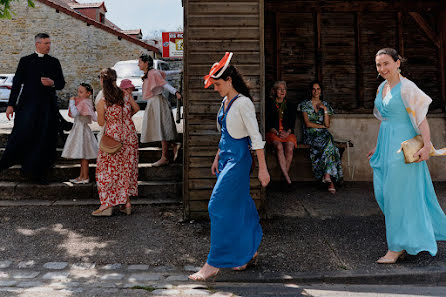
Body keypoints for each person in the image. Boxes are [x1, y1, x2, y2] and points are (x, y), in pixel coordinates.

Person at [189, 52, 270, 282]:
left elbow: (255, 137)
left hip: (239, 161)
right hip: (226, 159)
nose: (214, 88)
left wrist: (263, 168)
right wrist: (217, 156)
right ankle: (249, 250)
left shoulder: (243, 103)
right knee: (241, 204)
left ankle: (213, 263)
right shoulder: (224, 101)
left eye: (217, 84)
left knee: (216, 206)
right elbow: (226, 133)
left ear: (229, 81)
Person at [367, 48, 446, 263]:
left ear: (397, 63)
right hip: (385, 144)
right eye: (378, 65)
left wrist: (426, 146)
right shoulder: (382, 87)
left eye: (386, 63)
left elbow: (421, 119)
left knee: (396, 197)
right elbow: (384, 120)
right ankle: (408, 235)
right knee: (383, 193)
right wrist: (377, 146)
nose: (382, 68)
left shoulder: (408, 88)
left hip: (403, 148)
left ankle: (396, 247)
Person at [0, 33, 65, 184]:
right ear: (38, 44)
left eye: (49, 43)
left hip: (47, 108)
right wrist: (10, 105)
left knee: (44, 139)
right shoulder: (25, 61)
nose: (49, 46)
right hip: (27, 106)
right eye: (46, 43)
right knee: (23, 133)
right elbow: (16, 84)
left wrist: (52, 82)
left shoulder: (54, 62)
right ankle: (16, 164)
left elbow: (61, 83)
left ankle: (39, 173)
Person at [93, 68, 140, 216]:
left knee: (106, 171)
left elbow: (101, 123)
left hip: (113, 136)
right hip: (129, 135)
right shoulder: (125, 94)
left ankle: (106, 205)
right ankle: (126, 203)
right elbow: (137, 108)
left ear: (102, 81)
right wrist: (126, 118)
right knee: (125, 171)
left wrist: (112, 120)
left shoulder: (102, 101)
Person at [297, 81, 343, 194]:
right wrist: (321, 126)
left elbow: (327, 125)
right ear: (311, 91)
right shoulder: (305, 105)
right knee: (332, 147)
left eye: (318, 89)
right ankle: (330, 180)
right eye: (314, 89)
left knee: (330, 145)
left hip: (323, 135)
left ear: (321, 91)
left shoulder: (325, 105)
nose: (316, 91)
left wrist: (324, 110)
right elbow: (307, 123)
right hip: (310, 135)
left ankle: (327, 176)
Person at [138, 54, 182, 166]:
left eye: (140, 62)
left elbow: (164, 84)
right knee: (160, 127)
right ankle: (173, 145)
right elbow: (165, 74)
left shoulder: (153, 73)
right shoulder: (152, 72)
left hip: (157, 102)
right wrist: (178, 71)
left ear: (146, 63)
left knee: (161, 128)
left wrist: (175, 92)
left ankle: (165, 157)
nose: (139, 64)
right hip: (154, 102)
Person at [61, 83, 98, 184]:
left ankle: (85, 177)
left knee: (84, 155)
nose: (78, 94)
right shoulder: (86, 102)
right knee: (83, 155)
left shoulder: (84, 103)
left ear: (88, 93)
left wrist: (72, 102)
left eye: (81, 92)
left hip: (81, 129)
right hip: (80, 128)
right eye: (78, 91)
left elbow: (74, 113)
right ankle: (81, 176)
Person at [265, 81, 297, 184]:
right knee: (279, 146)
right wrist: (277, 132)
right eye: (280, 89)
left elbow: (292, 123)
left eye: (284, 89)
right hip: (274, 133)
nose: (282, 91)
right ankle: (287, 179)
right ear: (275, 91)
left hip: (287, 133)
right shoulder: (269, 104)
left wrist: (287, 133)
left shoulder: (290, 105)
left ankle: (284, 177)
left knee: (290, 147)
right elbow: (268, 123)